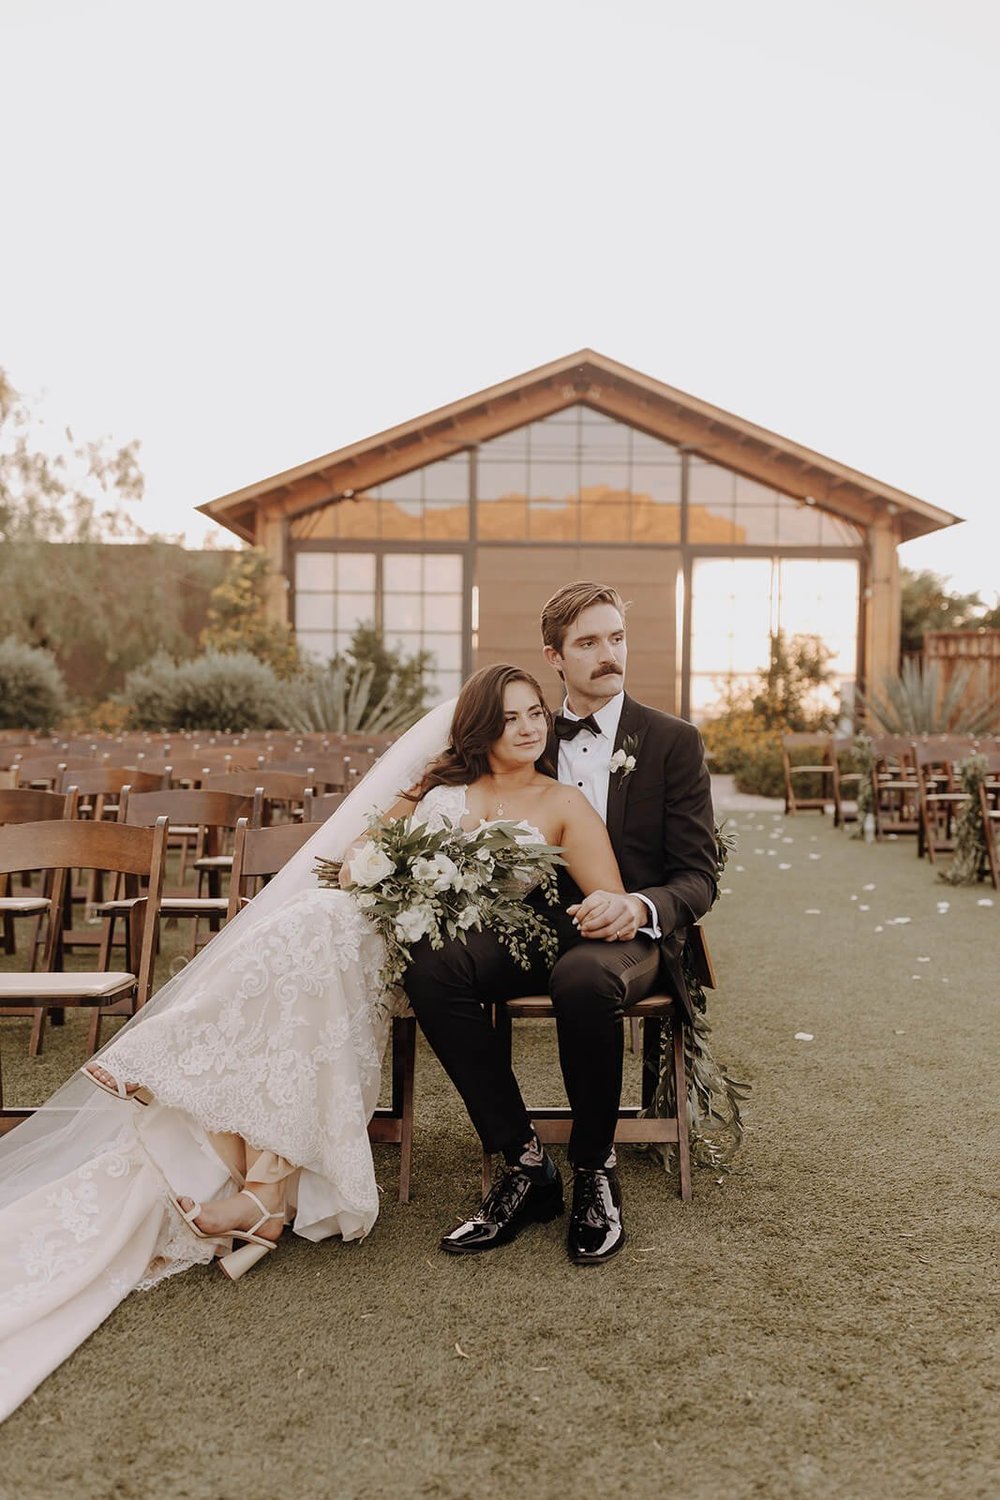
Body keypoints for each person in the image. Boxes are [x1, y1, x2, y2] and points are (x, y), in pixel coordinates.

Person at [0, 663, 624, 1418]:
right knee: (305, 943)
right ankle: (257, 1180)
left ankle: (202, 1105)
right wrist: (391, 869)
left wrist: (608, 914)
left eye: (535, 714)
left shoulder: (563, 804)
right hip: (381, 926)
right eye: (509, 716)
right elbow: (359, 855)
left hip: (441, 956)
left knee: (311, 941)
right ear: (479, 728)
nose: (527, 727)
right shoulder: (434, 791)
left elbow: (606, 898)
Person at [404, 581, 718, 1265]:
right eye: (587, 643)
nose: (609, 654)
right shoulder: (527, 733)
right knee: (432, 963)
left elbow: (699, 876)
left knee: (582, 980)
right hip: (529, 928)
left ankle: (594, 1168)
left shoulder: (672, 742)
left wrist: (636, 907)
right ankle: (523, 1163)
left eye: (616, 638)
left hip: (625, 936)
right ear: (554, 655)